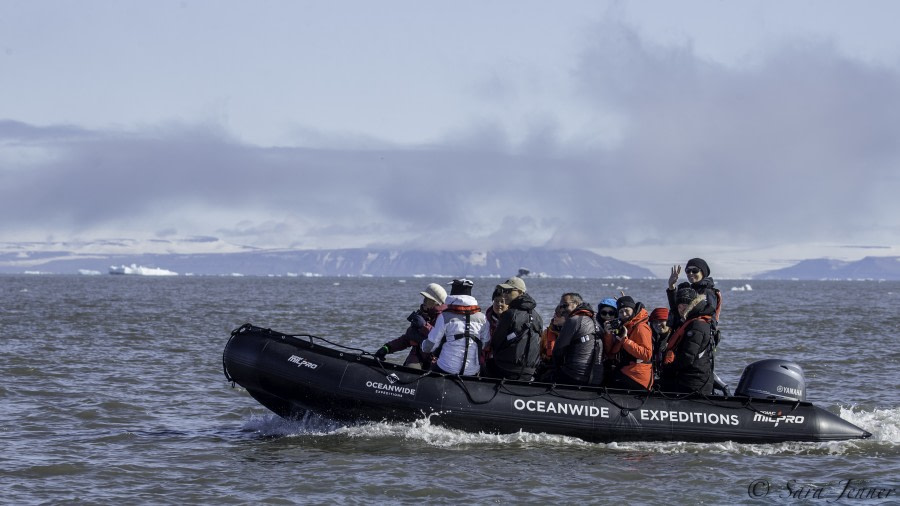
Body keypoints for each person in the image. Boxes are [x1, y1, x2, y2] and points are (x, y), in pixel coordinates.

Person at [373, 283, 447, 369]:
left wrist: (424, 326)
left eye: (428, 299)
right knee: (410, 370)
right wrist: (387, 347)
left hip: (435, 360)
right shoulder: (421, 316)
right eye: (424, 299)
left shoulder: (444, 318)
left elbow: (439, 339)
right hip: (417, 357)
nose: (424, 302)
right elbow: (407, 338)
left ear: (436, 303)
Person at [421, 279, 486, 375]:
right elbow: (485, 343)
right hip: (472, 371)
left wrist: (422, 345)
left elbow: (430, 345)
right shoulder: (482, 317)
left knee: (430, 368)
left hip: (446, 368)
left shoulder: (445, 316)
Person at [658, 287, 716, 394]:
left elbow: (688, 356)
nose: (681, 309)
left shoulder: (697, 325)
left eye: (685, 305)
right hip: (690, 377)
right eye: (679, 306)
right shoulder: (690, 321)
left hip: (694, 381)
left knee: (661, 386)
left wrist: (669, 369)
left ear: (692, 305)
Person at [485, 276, 544, 381]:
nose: (504, 294)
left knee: (484, 366)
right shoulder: (537, 316)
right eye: (503, 291)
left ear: (520, 292)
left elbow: (495, 342)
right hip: (529, 372)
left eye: (508, 291)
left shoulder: (510, 314)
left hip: (506, 369)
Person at [602, 296, 653, 390]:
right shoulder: (625, 326)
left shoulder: (641, 327)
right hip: (626, 370)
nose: (624, 314)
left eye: (627, 310)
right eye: (621, 312)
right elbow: (611, 353)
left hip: (638, 376)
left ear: (633, 309)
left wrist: (626, 341)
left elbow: (647, 354)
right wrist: (608, 335)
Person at [549, 294, 602, 385]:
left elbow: (558, 350)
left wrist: (554, 368)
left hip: (575, 374)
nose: (562, 309)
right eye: (561, 306)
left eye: (565, 305)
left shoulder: (574, 320)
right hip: (596, 375)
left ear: (576, 304)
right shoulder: (596, 321)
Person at [666, 258, 721, 329]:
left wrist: (687, 311)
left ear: (703, 272)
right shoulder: (688, 290)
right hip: (684, 331)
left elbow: (709, 311)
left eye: (695, 270)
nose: (691, 273)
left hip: (697, 334)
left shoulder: (709, 292)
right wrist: (671, 287)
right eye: (688, 271)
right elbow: (675, 309)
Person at [537, 293, 580, 376]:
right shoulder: (547, 332)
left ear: (567, 317)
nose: (555, 316)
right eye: (555, 314)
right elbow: (539, 351)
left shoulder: (572, 333)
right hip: (547, 366)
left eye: (558, 315)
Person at [479, 285, 508, 363]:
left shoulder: (512, 321)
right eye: (496, 301)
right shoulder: (486, 320)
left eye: (502, 301)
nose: (499, 304)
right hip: (487, 360)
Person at [596, 297, 620, 383]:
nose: (607, 316)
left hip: (618, 363)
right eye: (604, 313)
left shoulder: (622, 326)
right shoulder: (596, 327)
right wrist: (607, 333)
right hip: (602, 362)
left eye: (611, 313)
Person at [648, 307, 671, 382]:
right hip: (655, 377)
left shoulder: (674, 338)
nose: (658, 324)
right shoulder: (650, 338)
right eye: (655, 322)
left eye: (661, 321)